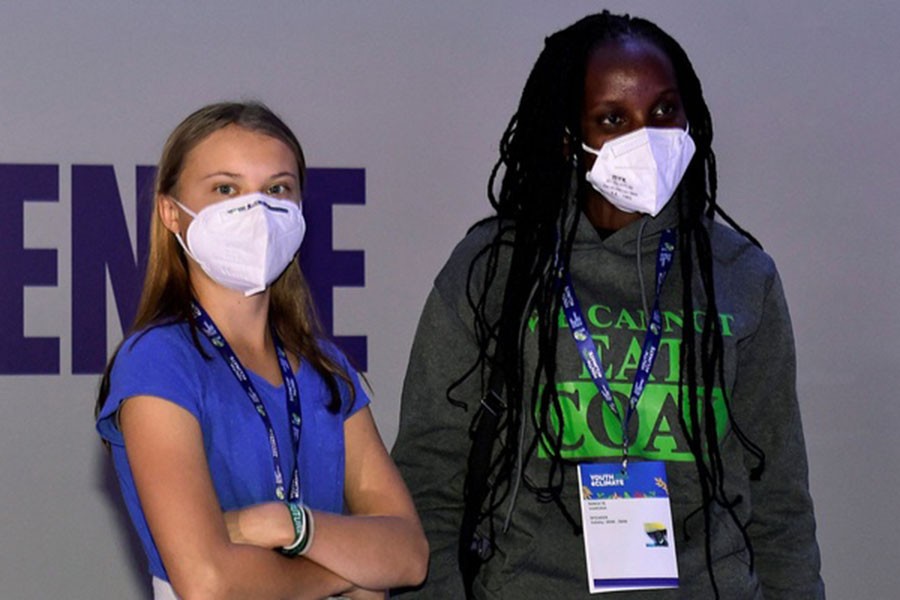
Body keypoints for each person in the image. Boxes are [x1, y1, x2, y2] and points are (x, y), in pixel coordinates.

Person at [392, 11, 823, 599]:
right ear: (571, 139)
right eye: (614, 118)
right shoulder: (493, 269)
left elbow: (779, 500)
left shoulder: (740, 275)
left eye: (664, 111)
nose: (645, 134)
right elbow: (430, 474)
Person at [96, 102, 428, 599]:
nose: (256, 211)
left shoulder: (325, 367)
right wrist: (352, 569)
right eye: (226, 189)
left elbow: (409, 554)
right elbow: (209, 584)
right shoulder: (158, 361)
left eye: (276, 189)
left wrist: (284, 524)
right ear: (171, 212)